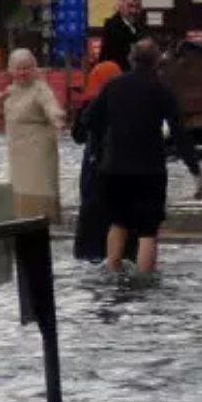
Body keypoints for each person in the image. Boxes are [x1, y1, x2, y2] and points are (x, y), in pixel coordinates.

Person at [81, 39, 202, 275]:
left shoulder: (113, 86)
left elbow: (88, 120)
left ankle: (112, 271)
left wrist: (103, 145)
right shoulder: (162, 91)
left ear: (131, 59)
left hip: (114, 168)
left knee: (118, 223)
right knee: (148, 231)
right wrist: (196, 173)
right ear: (157, 61)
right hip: (150, 170)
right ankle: (144, 280)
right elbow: (179, 134)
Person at [0, 48, 66, 222]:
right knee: (19, 189)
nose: (22, 72)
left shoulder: (40, 89)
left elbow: (51, 106)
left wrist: (57, 118)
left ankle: (44, 224)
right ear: (11, 70)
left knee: (39, 188)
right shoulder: (10, 91)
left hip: (38, 150)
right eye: (18, 68)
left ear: (34, 68)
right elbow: (1, 110)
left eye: (27, 68)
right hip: (18, 149)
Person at [71, 59, 123, 261]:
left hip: (94, 162)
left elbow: (78, 135)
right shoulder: (124, 101)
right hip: (120, 165)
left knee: (92, 208)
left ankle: (91, 252)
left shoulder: (90, 103)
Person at [100, 0, 144, 72]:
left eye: (137, 7)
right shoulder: (113, 27)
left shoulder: (139, 26)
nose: (134, 11)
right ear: (121, 7)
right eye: (130, 6)